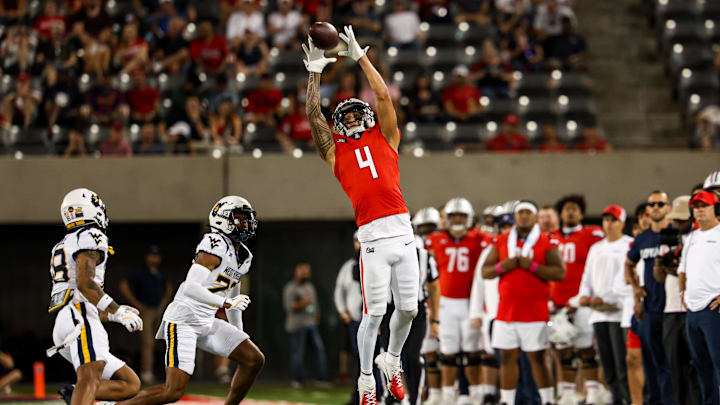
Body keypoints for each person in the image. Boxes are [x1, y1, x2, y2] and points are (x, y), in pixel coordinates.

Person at [303, 25, 420, 404]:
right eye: (346, 118)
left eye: (357, 115)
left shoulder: (387, 138)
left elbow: (384, 97)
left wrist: (361, 58)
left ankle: (392, 359)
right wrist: (315, 72)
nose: (352, 121)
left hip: (402, 231)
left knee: (409, 308)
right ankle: (367, 380)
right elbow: (313, 116)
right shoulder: (336, 153)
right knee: (373, 315)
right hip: (371, 237)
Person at [113, 196, 264, 405]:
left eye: (247, 219)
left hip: (207, 321)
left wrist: (240, 334)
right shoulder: (215, 244)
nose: (245, 224)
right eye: (239, 218)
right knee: (173, 391)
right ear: (222, 220)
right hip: (183, 319)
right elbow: (192, 288)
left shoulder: (244, 256)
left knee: (253, 359)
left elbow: (233, 297)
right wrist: (226, 304)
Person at [48, 189, 143, 405]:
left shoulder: (62, 243)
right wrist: (115, 309)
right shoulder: (91, 234)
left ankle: (75, 394)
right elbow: (84, 284)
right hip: (79, 317)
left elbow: (80, 293)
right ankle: (80, 395)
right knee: (90, 377)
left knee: (129, 383)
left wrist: (114, 316)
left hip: (68, 320)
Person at [482, 201, 565, 405]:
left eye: (528, 213)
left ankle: (546, 400)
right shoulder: (501, 241)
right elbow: (486, 271)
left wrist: (532, 266)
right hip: (506, 312)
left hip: (534, 312)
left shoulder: (546, 241)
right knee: (507, 358)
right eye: (520, 213)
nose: (524, 216)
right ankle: (507, 401)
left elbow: (560, 272)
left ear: (535, 217)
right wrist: (504, 266)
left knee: (537, 359)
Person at [425, 198, 489, 404]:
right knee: (448, 352)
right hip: (445, 303)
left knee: (473, 352)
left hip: (471, 303)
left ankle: (476, 395)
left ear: (469, 217)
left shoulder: (480, 238)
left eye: (461, 215)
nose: (458, 219)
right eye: (454, 216)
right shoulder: (435, 240)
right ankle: (447, 396)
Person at [548, 194, 605, 405]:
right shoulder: (550, 237)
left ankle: (593, 392)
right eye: (567, 209)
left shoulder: (591, 234)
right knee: (563, 349)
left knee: (585, 348)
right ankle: (567, 392)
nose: (571, 212)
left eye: (575, 209)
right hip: (558, 303)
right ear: (560, 214)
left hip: (582, 301)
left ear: (581, 213)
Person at [625, 190, 677, 405]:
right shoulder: (642, 239)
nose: (656, 208)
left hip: (674, 308)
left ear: (668, 208)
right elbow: (628, 265)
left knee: (672, 363)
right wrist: (636, 289)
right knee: (652, 362)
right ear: (647, 210)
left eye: (660, 204)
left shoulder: (677, 234)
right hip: (651, 307)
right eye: (652, 204)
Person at [578, 205, 633, 405]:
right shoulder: (596, 248)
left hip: (619, 312)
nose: (608, 224)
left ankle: (628, 397)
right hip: (599, 313)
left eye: (613, 220)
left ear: (622, 223)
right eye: (606, 220)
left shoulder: (629, 245)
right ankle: (616, 398)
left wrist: (608, 297)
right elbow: (587, 277)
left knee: (622, 361)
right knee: (607, 362)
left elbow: (627, 278)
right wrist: (584, 295)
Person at [654, 195, 701, 405]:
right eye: (675, 220)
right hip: (671, 309)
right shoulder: (668, 239)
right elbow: (659, 277)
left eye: (681, 220)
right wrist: (660, 264)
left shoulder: (701, 239)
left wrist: (677, 269)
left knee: (698, 365)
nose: (677, 224)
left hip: (694, 308)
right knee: (676, 366)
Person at [678, 190, 720, 405]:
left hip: (713, 310)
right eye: (696, 206)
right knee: (701, 366)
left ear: (716, 208)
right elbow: (682, 269)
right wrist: (682, 292)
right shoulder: (692, 237)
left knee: (718, 363)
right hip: (693, 311)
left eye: (704, 205)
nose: (700, 209)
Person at [119, 246, 173, 385]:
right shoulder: (140, 272)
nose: (154, 258)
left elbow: (168, 288)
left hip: (159, 310)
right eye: (152, 255)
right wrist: (136, 303)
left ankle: (163, 371)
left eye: (156, 256)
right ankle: (146, 372)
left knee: (162, 341)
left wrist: (164, 303)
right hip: (146, 310)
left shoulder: (160, 273)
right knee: (147, 342)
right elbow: (123, 286)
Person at [412, 207, 442, 405]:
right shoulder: (415, 248)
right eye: (423, 228)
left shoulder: (441, 246)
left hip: (443, 302)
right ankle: (430, 395)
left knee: (450, 353)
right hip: (421, 305)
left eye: (431, 228)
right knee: (426, 354)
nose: (427, 232)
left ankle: (450, 393)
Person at [283, 263, 329, 387]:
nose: (306, 274)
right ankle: (297, 379)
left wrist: (316, 316)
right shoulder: (291, 288)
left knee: (319, 350)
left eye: (307, 272)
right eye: (303, 272)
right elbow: (289, 307)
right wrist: (304, 303)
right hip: (297, 325)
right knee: (297, 353)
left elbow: (315, 304)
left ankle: (321, 378)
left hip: (311, 324)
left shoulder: (310, 286)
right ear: (297, 272)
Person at [334, 233, 364, 405]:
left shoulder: (376, 262)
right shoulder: (349, 266)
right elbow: (339, 290)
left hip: (375, 320)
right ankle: (358, 396)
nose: (359, 244)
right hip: (355, 320)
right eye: (357, 240)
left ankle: (381, 395)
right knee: (359, 359)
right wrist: (343, 311)